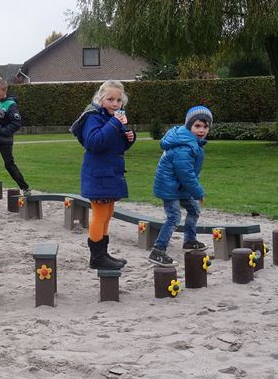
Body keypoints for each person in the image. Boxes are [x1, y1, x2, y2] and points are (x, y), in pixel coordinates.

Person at [71, 80, 136, 270]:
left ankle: (103, 253)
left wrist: (129, 138)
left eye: (118, 100)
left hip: (111, 172)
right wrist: (115, 122)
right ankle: (96, 257)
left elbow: (115, 146)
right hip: (98, 174)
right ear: (100, 99)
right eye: (110, 99)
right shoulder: (93, 118)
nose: (115, 104)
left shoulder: (112, 118)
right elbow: (95, 142)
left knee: (108, 213)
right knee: (99, 215)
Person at [149, 105, 214, 267]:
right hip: (170, 187)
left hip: (179, 187)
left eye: (205, 126)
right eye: (197, 126)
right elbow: (186, 175)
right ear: (188, 126)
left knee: (194, 209)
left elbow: (188, 175)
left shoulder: (192, 143)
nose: (202, 130)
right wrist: (198, 193)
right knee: (173, 218)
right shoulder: (184, 148)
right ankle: (158, 251)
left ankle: (190, 241)